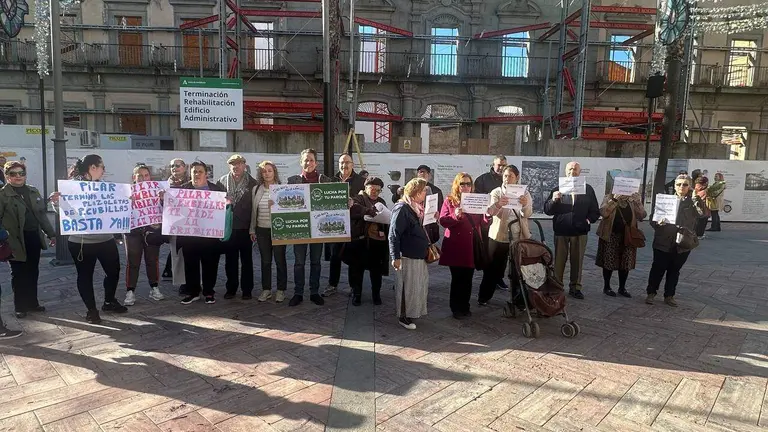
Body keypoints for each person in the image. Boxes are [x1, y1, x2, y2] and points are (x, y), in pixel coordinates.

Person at [50, 155, 127, 324]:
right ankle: (91, 310)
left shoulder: (106, 188)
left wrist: (127, 202)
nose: (104, 171)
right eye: (102, 167)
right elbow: (63, 213)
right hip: (81, 242)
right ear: (93, 167)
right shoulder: (72, 188)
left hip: (105, 239)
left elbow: (116, 208)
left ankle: (109, 301)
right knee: (85, 275)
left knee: (114, 271)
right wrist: (56, 202)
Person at [0, 161, 56, 319]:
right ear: (7, 176)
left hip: (33, 237)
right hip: (15, 240)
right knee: (18, 273)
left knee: (33, 271)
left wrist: (51, 233)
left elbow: (41, 216)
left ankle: (32, 303)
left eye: (21, 173)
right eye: (13, 174)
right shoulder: (2, 195)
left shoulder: (32, 191)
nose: (18, 176)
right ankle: (20, 306)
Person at [646, 174, 707, 307]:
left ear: (689, 186)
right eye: (679, 184)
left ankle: (669, 295)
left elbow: (702, 214)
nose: (681, 187)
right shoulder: (666, 199)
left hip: (683, 242)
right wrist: (658, 222)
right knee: (657, 268)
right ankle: (651, 293)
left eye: (685, 184)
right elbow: (653, 219)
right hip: (663, 241)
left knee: (674, 270)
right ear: (674, 185)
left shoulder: (692, 201)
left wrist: (697, 198)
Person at [543, 161, 600, 300]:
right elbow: (547, 210)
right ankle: (557, 287)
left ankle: (575, 287)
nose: (572, 172)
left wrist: (587, 221)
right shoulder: (558, 189)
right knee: (559, 262)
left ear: (580, 172)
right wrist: (554, 200)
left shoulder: (588, 189)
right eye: (569, 170)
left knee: (577, 261)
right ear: (565, 172)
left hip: (580, 232)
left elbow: (595, 211)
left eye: (575, 170)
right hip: (561, 231)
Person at [478, 165, 533, 306]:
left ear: (517, 177)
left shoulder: (525, 193)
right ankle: (484, 296)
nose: (507, 179)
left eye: (511, 176)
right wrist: (498, 205)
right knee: (492, 268)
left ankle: (518, 299)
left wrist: (525, 205)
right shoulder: (496, 192)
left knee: (517, 270)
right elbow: (490, 212)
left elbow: (527, 214)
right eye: (505, 176)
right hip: (499, 235)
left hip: (518, 236)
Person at [438, 172, 490, 319]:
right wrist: (455, 215)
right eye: (462, 184)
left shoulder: (476, 199)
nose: (466, 187)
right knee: (457, 278)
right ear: (457, 185)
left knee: (468, 278)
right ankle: (455, 307)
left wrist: (488, 215)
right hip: (455, 245)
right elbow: (443, 220)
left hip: (470, 245)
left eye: (468, 184)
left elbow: (483, 223)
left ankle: (465, 306)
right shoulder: (450, 200)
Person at [287, 148, 333, 307]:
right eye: (306, 160)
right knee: (299, 262)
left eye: (311, 160)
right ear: (301, 162)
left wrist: (346, 201)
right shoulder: (292, 180)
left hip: (318, 229)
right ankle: (298, 293)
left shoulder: (325, 180)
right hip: (299, 228)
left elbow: (334, 201)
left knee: (316, 262)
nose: (308, 163)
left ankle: (314, 292)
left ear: (316, 163)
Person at [178, 161, 226, 305]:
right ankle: (193, 292)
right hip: (189, 236)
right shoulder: (181, 190)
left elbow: (224, 210)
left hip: (209, 236)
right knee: (190, 265)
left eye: (200, 171)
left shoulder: (216, 190)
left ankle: (209, 292)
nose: (197, 174)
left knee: (210, 265)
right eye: (194, 172)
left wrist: (227, 203)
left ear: (206, 174)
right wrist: (164, 199)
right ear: (190, 173)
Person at [389, 177, 431, 330]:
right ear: (416, 192)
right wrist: (395, 257)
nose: (425, 193)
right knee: (406, 287)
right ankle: (403, 316)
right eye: (423, 190)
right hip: (406, 256)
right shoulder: (402, 208)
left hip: (417, 256)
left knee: (416, 286)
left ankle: (412, 312)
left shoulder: (415, 207)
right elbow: (393, 234)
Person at [324, 153, 366, 298]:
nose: (344, 165)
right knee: (335, 256)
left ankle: (353, 286)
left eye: (347, 162)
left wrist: (354, 200)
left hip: (353, 225)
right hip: (335, 224)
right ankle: (332, 284)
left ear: (352, 164)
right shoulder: (332, 180)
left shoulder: (361, 181)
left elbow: (364, 198)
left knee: (352, 257)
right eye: (342, 163)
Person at [218, 154, 259, 300]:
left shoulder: (253, 183)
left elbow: (256, 208)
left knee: (247, 260)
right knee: (230, 260)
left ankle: (247, 289)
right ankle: (231, 288)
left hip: (246, 227)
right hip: (229, 227)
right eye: (233, 164)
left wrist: (253, 228)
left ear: (244, 165)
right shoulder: (221, 181)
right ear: (230, 166)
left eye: (239, 164)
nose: (236, 166)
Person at [123, 164, 165, 306]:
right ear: (134, 178)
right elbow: (118, 212)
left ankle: (154, 287)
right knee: (133, 261)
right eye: (139, 175)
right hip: (133, 231)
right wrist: (127, 202)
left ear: (150, 177)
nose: (143, 178)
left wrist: (162, 200)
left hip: (151, 231)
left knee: (152, 260)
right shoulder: (126, 192)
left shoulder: (157, 191)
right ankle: (130, 291)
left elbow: (165, 209)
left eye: (146, 175)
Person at [344, 176, 389, 306]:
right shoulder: (357, 199)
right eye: (372, 189)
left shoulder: (381, 201)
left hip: (377, 242)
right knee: (357, 270)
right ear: (365, 188)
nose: (375, 192)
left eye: (378, 190)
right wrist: (369, 211)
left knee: (376, 271)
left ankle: (376, 295)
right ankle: (357, 295)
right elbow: (353, 209)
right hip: (360, 241)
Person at [595, 191, 646, 298]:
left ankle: (622, 287)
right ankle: (607, 287)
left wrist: (638, 202)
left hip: (627, 236)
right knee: (608, 261)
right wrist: (614, 201)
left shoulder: (631, 201)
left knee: (625, 262)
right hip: (611, 234)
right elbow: (604, 212)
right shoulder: (609, 197)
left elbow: (642, 216)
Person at [250, 161, 288, 303]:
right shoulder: (256, 189)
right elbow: (253, 213)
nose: (266, 173)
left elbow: (289, 210)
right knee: (265, 261)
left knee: (280, 260)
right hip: (261, 230)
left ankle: (281, 290)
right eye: (264, 171)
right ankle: (266, 289)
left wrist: (278, 205)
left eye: (269, 170)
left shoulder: (282, 188)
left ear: (274, 172)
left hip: (279, 229)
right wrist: (252, 230)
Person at [474, 155, 510, 291]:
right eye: (499, 165)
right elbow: (477, 200)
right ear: (493, 165)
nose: (501, 168)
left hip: (504, 222)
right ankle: (489, 278)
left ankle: (499, 278)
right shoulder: (482, 179)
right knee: (489, 253)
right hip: (487, 223)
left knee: (503, 254)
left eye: (503, 165)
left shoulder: (509, 179)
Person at [162, 158, 188, 282]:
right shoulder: (165, 185)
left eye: (178, 165)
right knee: (176, 254)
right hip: (174, 225)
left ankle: (193, 281)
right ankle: (180, 282)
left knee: (189, 254)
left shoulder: (192, 183)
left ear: (184, 167)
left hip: (190, 224)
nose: (174, 168)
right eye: (172, 166)